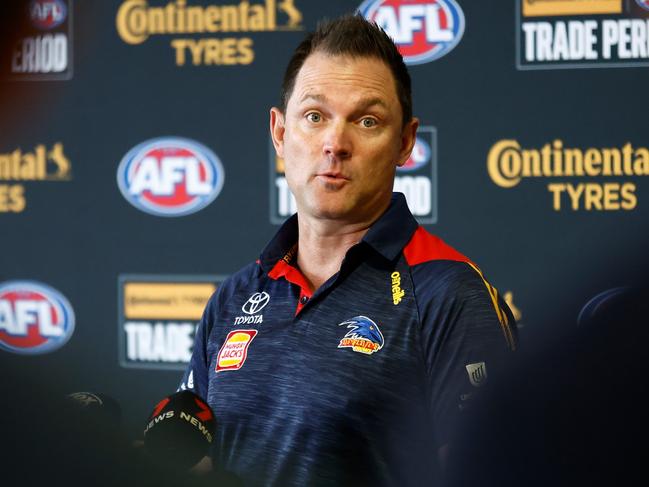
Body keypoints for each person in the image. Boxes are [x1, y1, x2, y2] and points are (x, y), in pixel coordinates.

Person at [180, 14, 517, 486]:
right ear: (280, 133)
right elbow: (198, 463)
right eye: (315, 116)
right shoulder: (235, 296)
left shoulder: (449, 292)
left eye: (367, 120)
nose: (335, 144)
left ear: (404, 142)